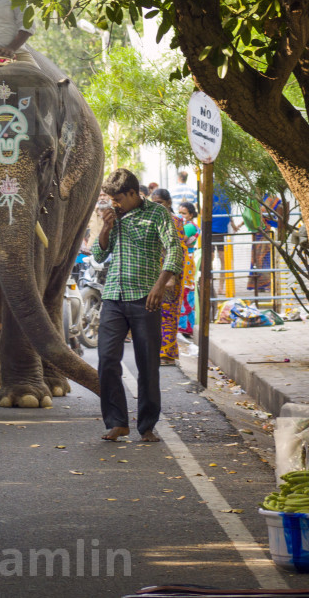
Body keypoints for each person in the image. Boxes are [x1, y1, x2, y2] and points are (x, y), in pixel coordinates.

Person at [92, 168, 182, 444]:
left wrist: (159, 285)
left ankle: (147, 425)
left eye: (117, 199)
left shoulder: (157, 214)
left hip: (145, 297)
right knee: (107, 360)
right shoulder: (112, 217)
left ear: (133, 194)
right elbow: (99, 254)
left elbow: (175, 250)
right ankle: (117, 422)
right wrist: (106, 227)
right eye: (110, 199)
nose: (114, 204)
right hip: (113, 298)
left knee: (147, 364)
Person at [149, 188, 186, 366]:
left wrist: (171, 276)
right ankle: (156, 351)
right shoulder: (151, 220)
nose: (157, 206)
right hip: (153, 273)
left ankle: (167, 354)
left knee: (169, 313)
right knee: (154, 312)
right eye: (154, 203)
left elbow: (175, 250)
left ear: (168, 203)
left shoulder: (176, 221)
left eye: (160, 203)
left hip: (171, 274)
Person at [177, 202, 198, 338]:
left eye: (184, 213)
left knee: (184, 291)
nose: (181, 216)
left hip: (187, 261)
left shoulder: (189, 227)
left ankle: (184, 326)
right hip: (186, 259)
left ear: (191, 215)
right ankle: (186, 326)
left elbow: (179, 239)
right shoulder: (188, 225)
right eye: (180, 213)